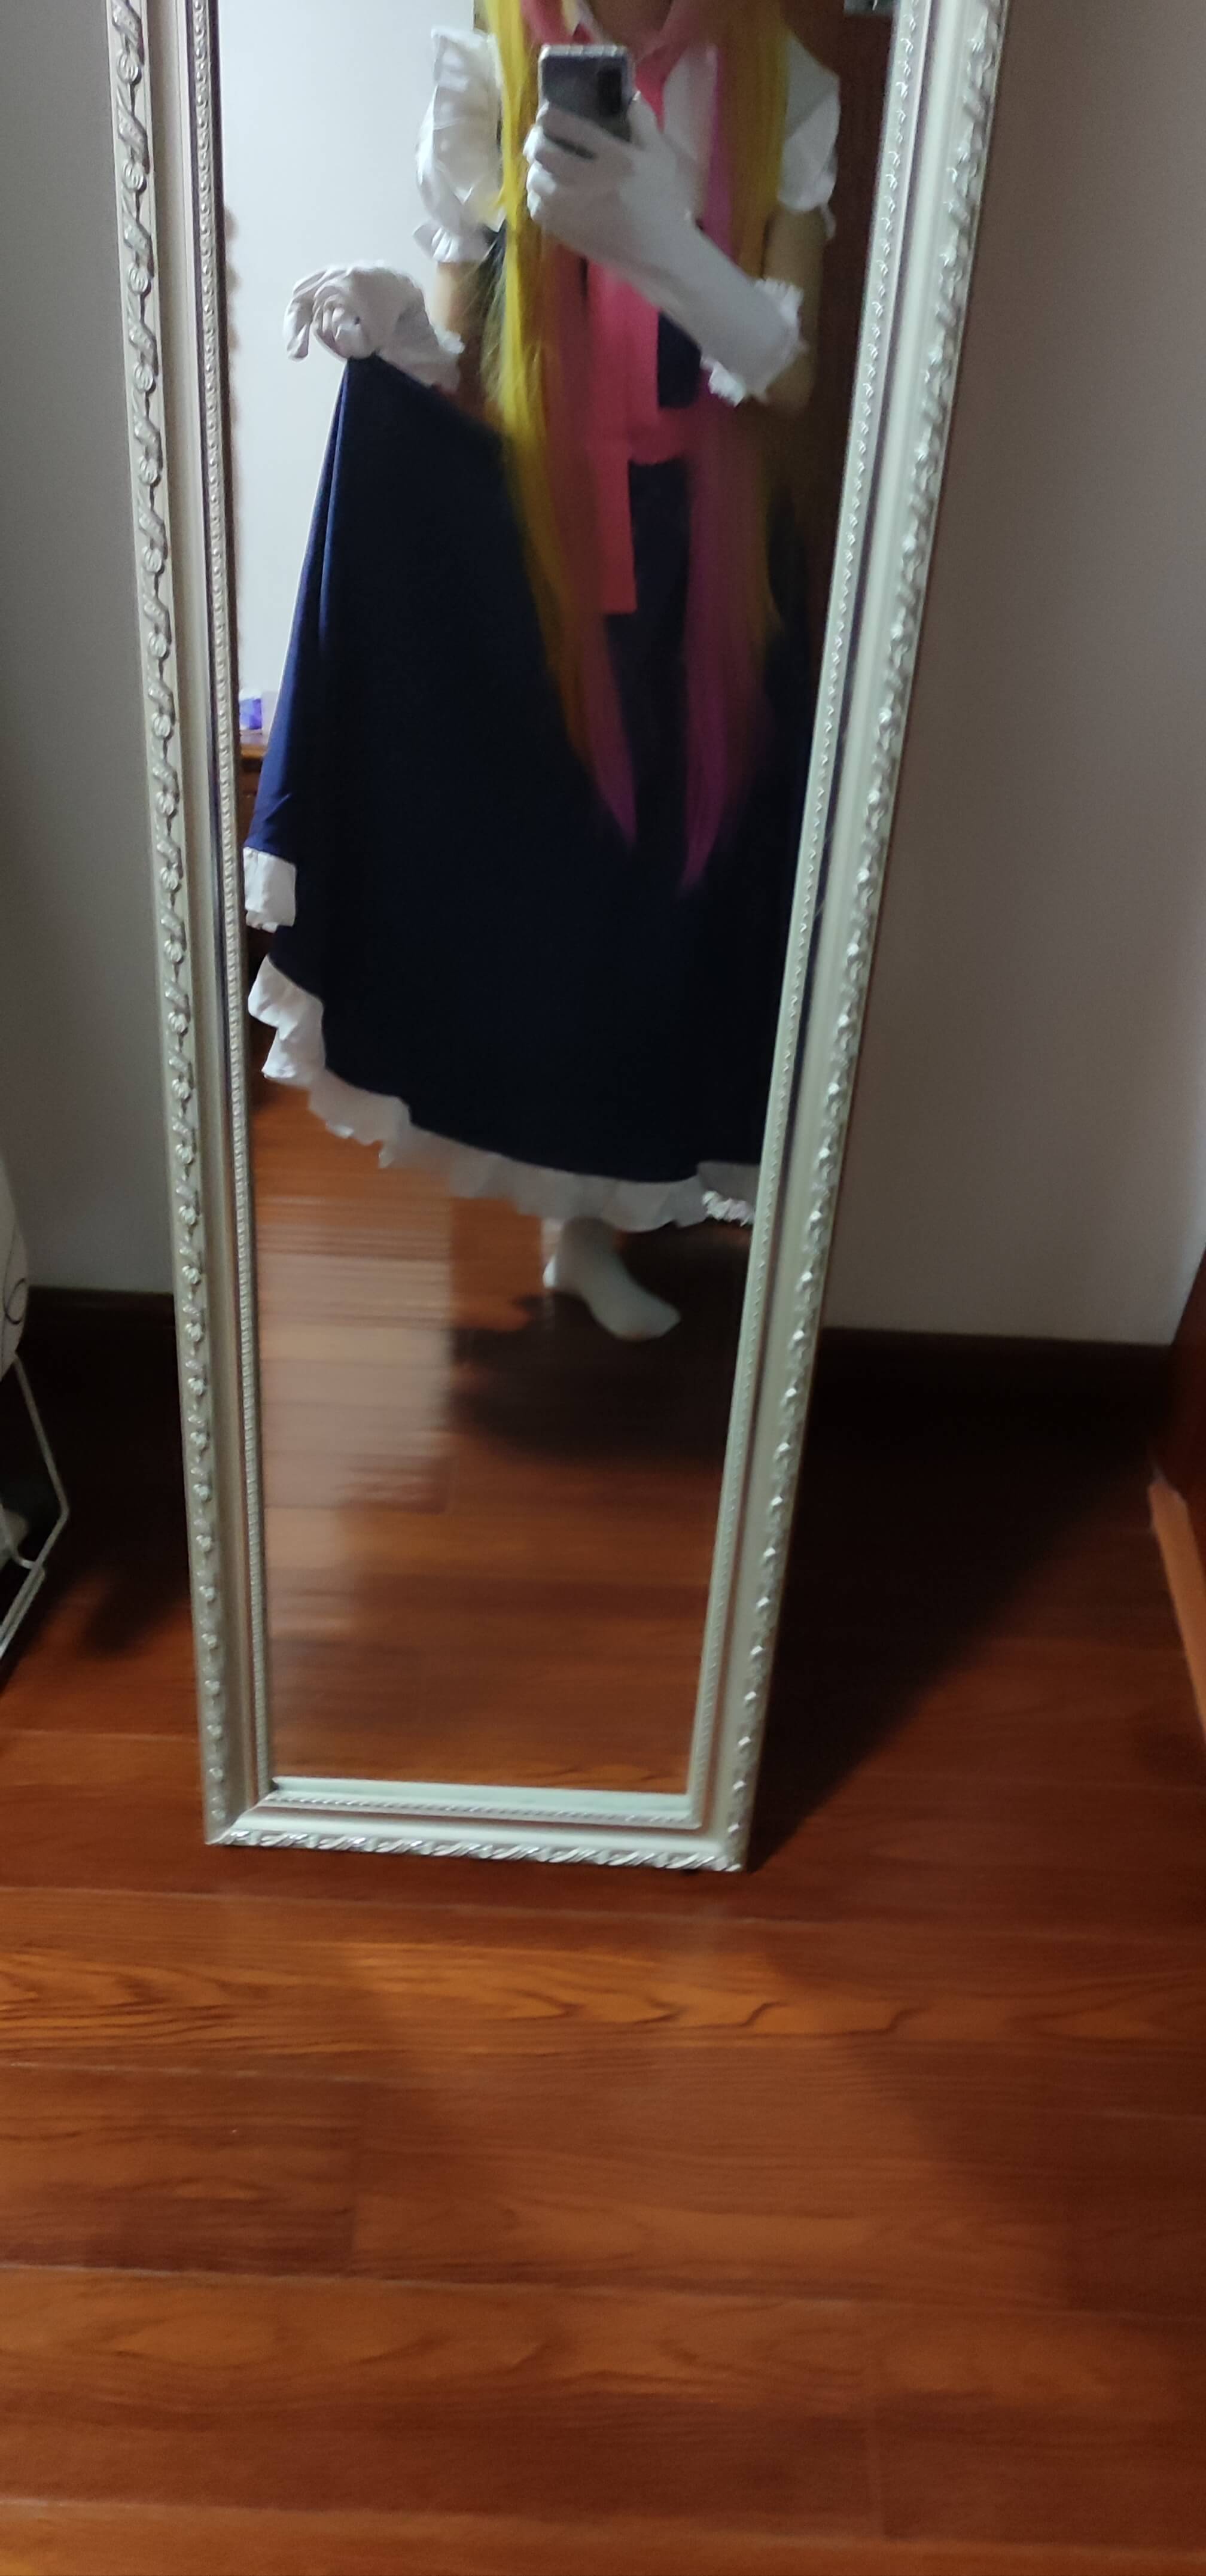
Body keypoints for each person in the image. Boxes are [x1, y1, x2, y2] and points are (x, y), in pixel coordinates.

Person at [245, 0, 838, 1338]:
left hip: (705, 556)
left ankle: (601, 1220)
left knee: (666, 893)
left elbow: (790, 380)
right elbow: (467, 356)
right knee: (544, 881)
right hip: (533, 537)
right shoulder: (490, 60)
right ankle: (564, 1225)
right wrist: (402, 341)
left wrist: (662, 244)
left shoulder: (785, 83)